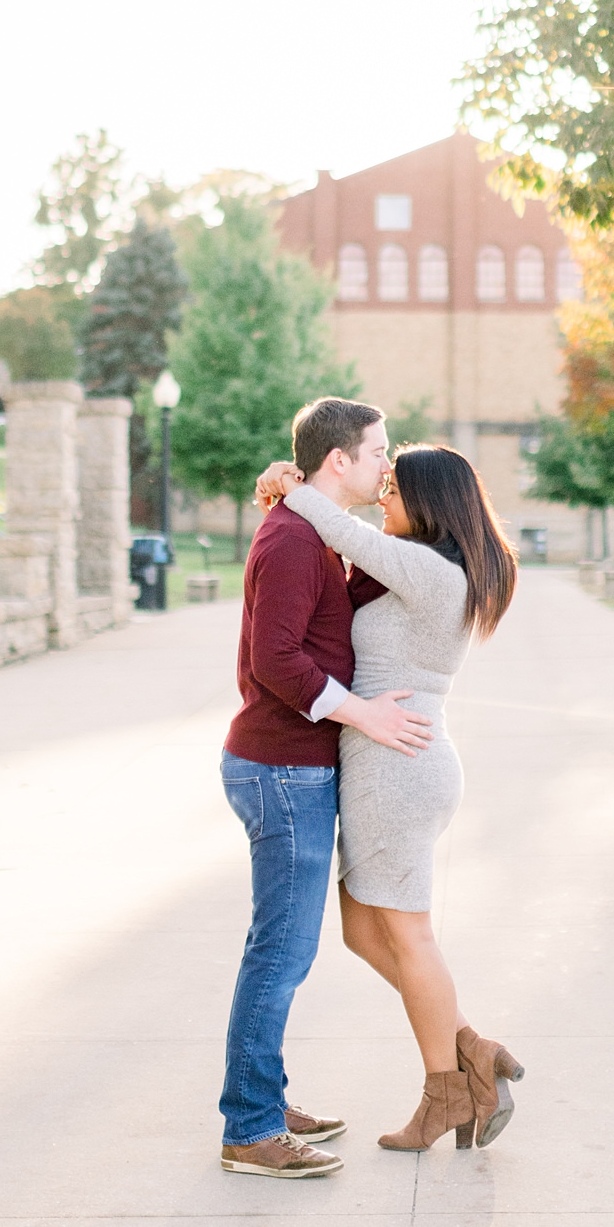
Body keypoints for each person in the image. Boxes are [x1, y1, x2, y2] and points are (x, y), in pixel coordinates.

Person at [255, 439, 525, 1153]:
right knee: (363, 931)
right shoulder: (422, 566)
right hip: (391, 762)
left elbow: (339, 530)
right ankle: (471, 1050)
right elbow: (350, 547)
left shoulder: (435, 573)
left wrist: (288, 485)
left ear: (431, 502)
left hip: (398, 767)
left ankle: (445, 1092)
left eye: (395, 490)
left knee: (409, 935)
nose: (383, 498)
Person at [219, 397, 433, 1180]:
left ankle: (261, 1101)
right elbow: (275, 659)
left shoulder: (315, 532)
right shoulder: (292, 538)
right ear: (336, 460)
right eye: (377, 452)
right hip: (280, 769)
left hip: (295, 768)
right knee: (281, 952)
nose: (387, 466)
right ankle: (249, 1127)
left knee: (281, 949)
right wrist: (366, 717)